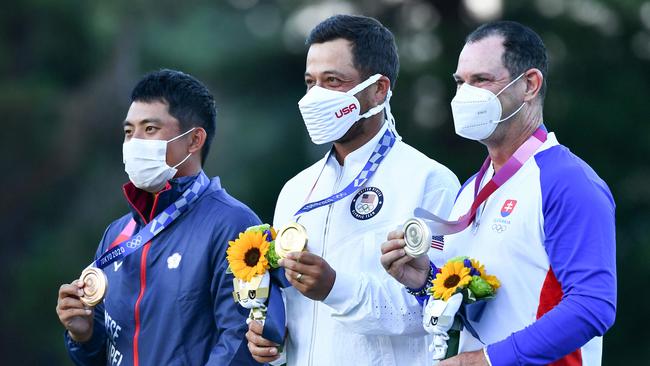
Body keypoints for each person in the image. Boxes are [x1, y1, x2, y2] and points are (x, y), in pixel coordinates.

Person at [381, 21, 616, 365]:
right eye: (460, 82)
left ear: (530, 85)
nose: (464, 95)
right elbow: (478, 309)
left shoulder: (568, 182)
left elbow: (593, 306)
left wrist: (487, 360)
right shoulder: (469, 191)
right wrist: (422, 280)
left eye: (481, 80)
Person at [246, 15, 460, 365]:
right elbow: (293, 311)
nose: (316, 97)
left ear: (379, 89)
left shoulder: (430, 181)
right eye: (310, 82)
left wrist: (335, 288)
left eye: (333, 81)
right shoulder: (296, 190)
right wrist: (269, 335)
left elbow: (434, 310)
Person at [55, 69, 261, 365]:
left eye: (150, 129)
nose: (134, 142)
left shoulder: (234, 225)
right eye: (129, 131)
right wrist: (83, 336)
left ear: (194, 140)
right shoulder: (117, 235)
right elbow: (100, 355)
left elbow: (239, 343)